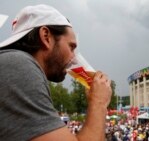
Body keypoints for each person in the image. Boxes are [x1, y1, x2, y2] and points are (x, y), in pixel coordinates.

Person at [0, 4, 112, 141]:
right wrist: (99, 102)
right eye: (71, 47)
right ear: (46, 36)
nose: (73, 58)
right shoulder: (18, 65)